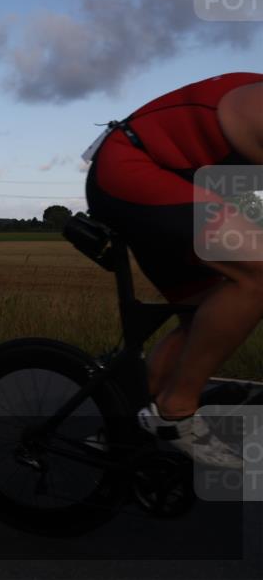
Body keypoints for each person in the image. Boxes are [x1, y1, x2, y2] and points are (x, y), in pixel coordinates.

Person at [85, 72, 263, 468]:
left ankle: (122, 429)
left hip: (178, 182)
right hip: (131, 168)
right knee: (256, 271)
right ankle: (174, 410)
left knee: (206, 314)